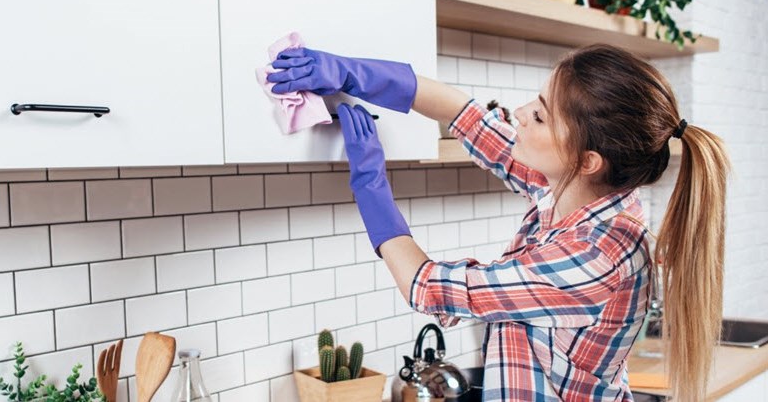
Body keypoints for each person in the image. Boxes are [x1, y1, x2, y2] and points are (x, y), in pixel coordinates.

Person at [267, 43, 729, 401]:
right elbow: (466, 115)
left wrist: (370, 184)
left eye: (542, 117)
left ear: (587, 160)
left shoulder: (594, 256)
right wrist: (353, 72)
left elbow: (429, 286)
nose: (521, 114)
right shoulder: (579, 192)